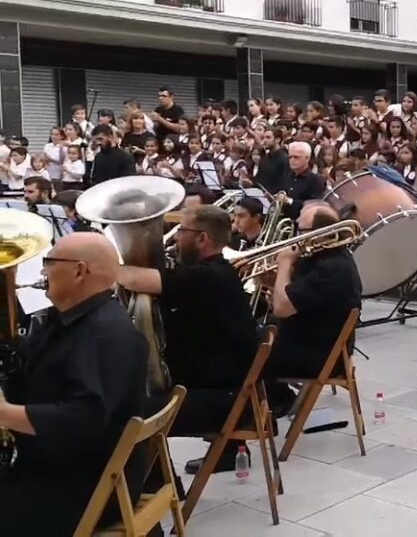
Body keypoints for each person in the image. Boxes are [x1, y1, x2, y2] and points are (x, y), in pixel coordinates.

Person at [0, 232, 148, 536]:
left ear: (80, 271)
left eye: (49, 262)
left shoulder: (103, 334)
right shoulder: (72, 319)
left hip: (81, 486)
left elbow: (82, 418)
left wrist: (4, 414)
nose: (42, 271)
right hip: (62, 468)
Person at [117, 205, 259, 473]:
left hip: (227, 403)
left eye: (182, 231)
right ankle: (218, 457)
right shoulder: (213, 273)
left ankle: (156, 486)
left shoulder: (209, 277)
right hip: (224, 390)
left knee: (125, 415)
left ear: (202, 238)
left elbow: (137, 279)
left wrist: (99, 265)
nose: (175, 237)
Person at [264, 202, 362, 402]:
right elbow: (293, 300)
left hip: (319, 355)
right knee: (245, 337)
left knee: (245, 352)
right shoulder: (320, 258)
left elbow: (282, 308)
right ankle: (268, 404)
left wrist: (285, 263)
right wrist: (272, 283)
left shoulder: (331, 268)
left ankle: (277, 403)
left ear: (320, 233)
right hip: (307, 340)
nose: (296, 237)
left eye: (301, 230)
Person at [279, 141, 325, 222]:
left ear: (307, 158)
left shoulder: (315, 180)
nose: (292, 160)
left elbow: (314, 205)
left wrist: (290, 201)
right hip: (284, 220)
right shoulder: (286, 175)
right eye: (290, 157)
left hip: (302, 222)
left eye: (296, 157)